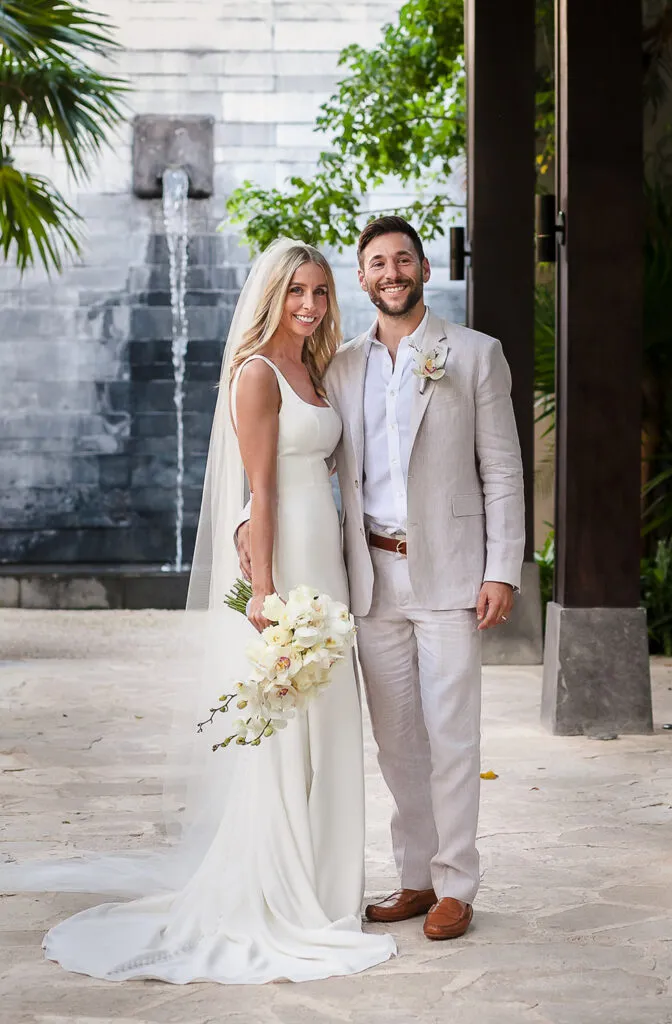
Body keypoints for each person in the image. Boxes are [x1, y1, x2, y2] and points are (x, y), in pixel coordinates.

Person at [0, 239, 396, 983]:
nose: (309, 306)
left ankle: (327, 888)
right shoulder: (256, 375)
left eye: (318, 292)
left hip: (330, 566)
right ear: (272, 296)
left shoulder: (314, 369)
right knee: (286, 732)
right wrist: (268, 589)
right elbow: (263, 491)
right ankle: (281, 891)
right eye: (295, 293)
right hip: (292, 567)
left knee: (332, 725)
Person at [238, 216, 525, 941]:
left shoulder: (473, 354)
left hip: (453, 576)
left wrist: (502, 569)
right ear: (361, 280)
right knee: (396, 741)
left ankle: (457, 883)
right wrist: (248, 527)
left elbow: (501, 469)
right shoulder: (338, 367)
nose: (389, 272)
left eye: (402, 260)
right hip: (365, 578)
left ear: (424, 271)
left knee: (453, 735)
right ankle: (415, 878)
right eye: (375, 263)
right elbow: (296, 460)